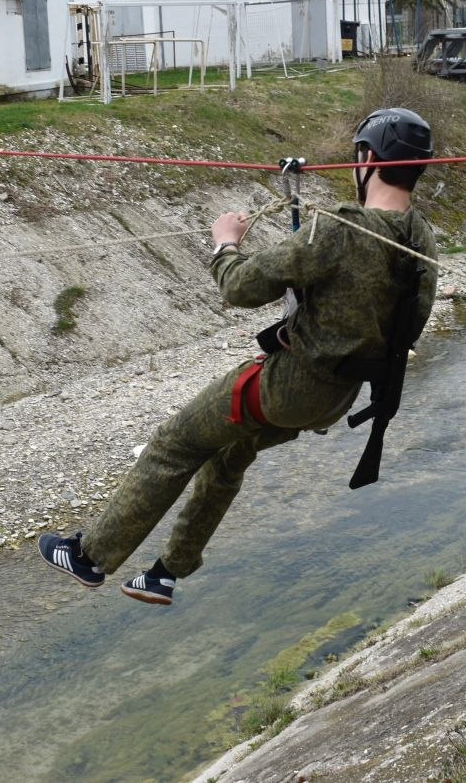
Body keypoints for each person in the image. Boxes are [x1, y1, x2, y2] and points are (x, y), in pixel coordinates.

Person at [38, 107, 438, 605]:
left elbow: (241, 287)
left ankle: (90, 556)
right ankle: (167, 572)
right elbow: (410, 321)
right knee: (228, 455)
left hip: (287, 387)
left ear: (367, 159)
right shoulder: (420, 238)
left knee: (174, 443)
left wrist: (225, 245)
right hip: (338, 398)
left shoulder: (340, 229)